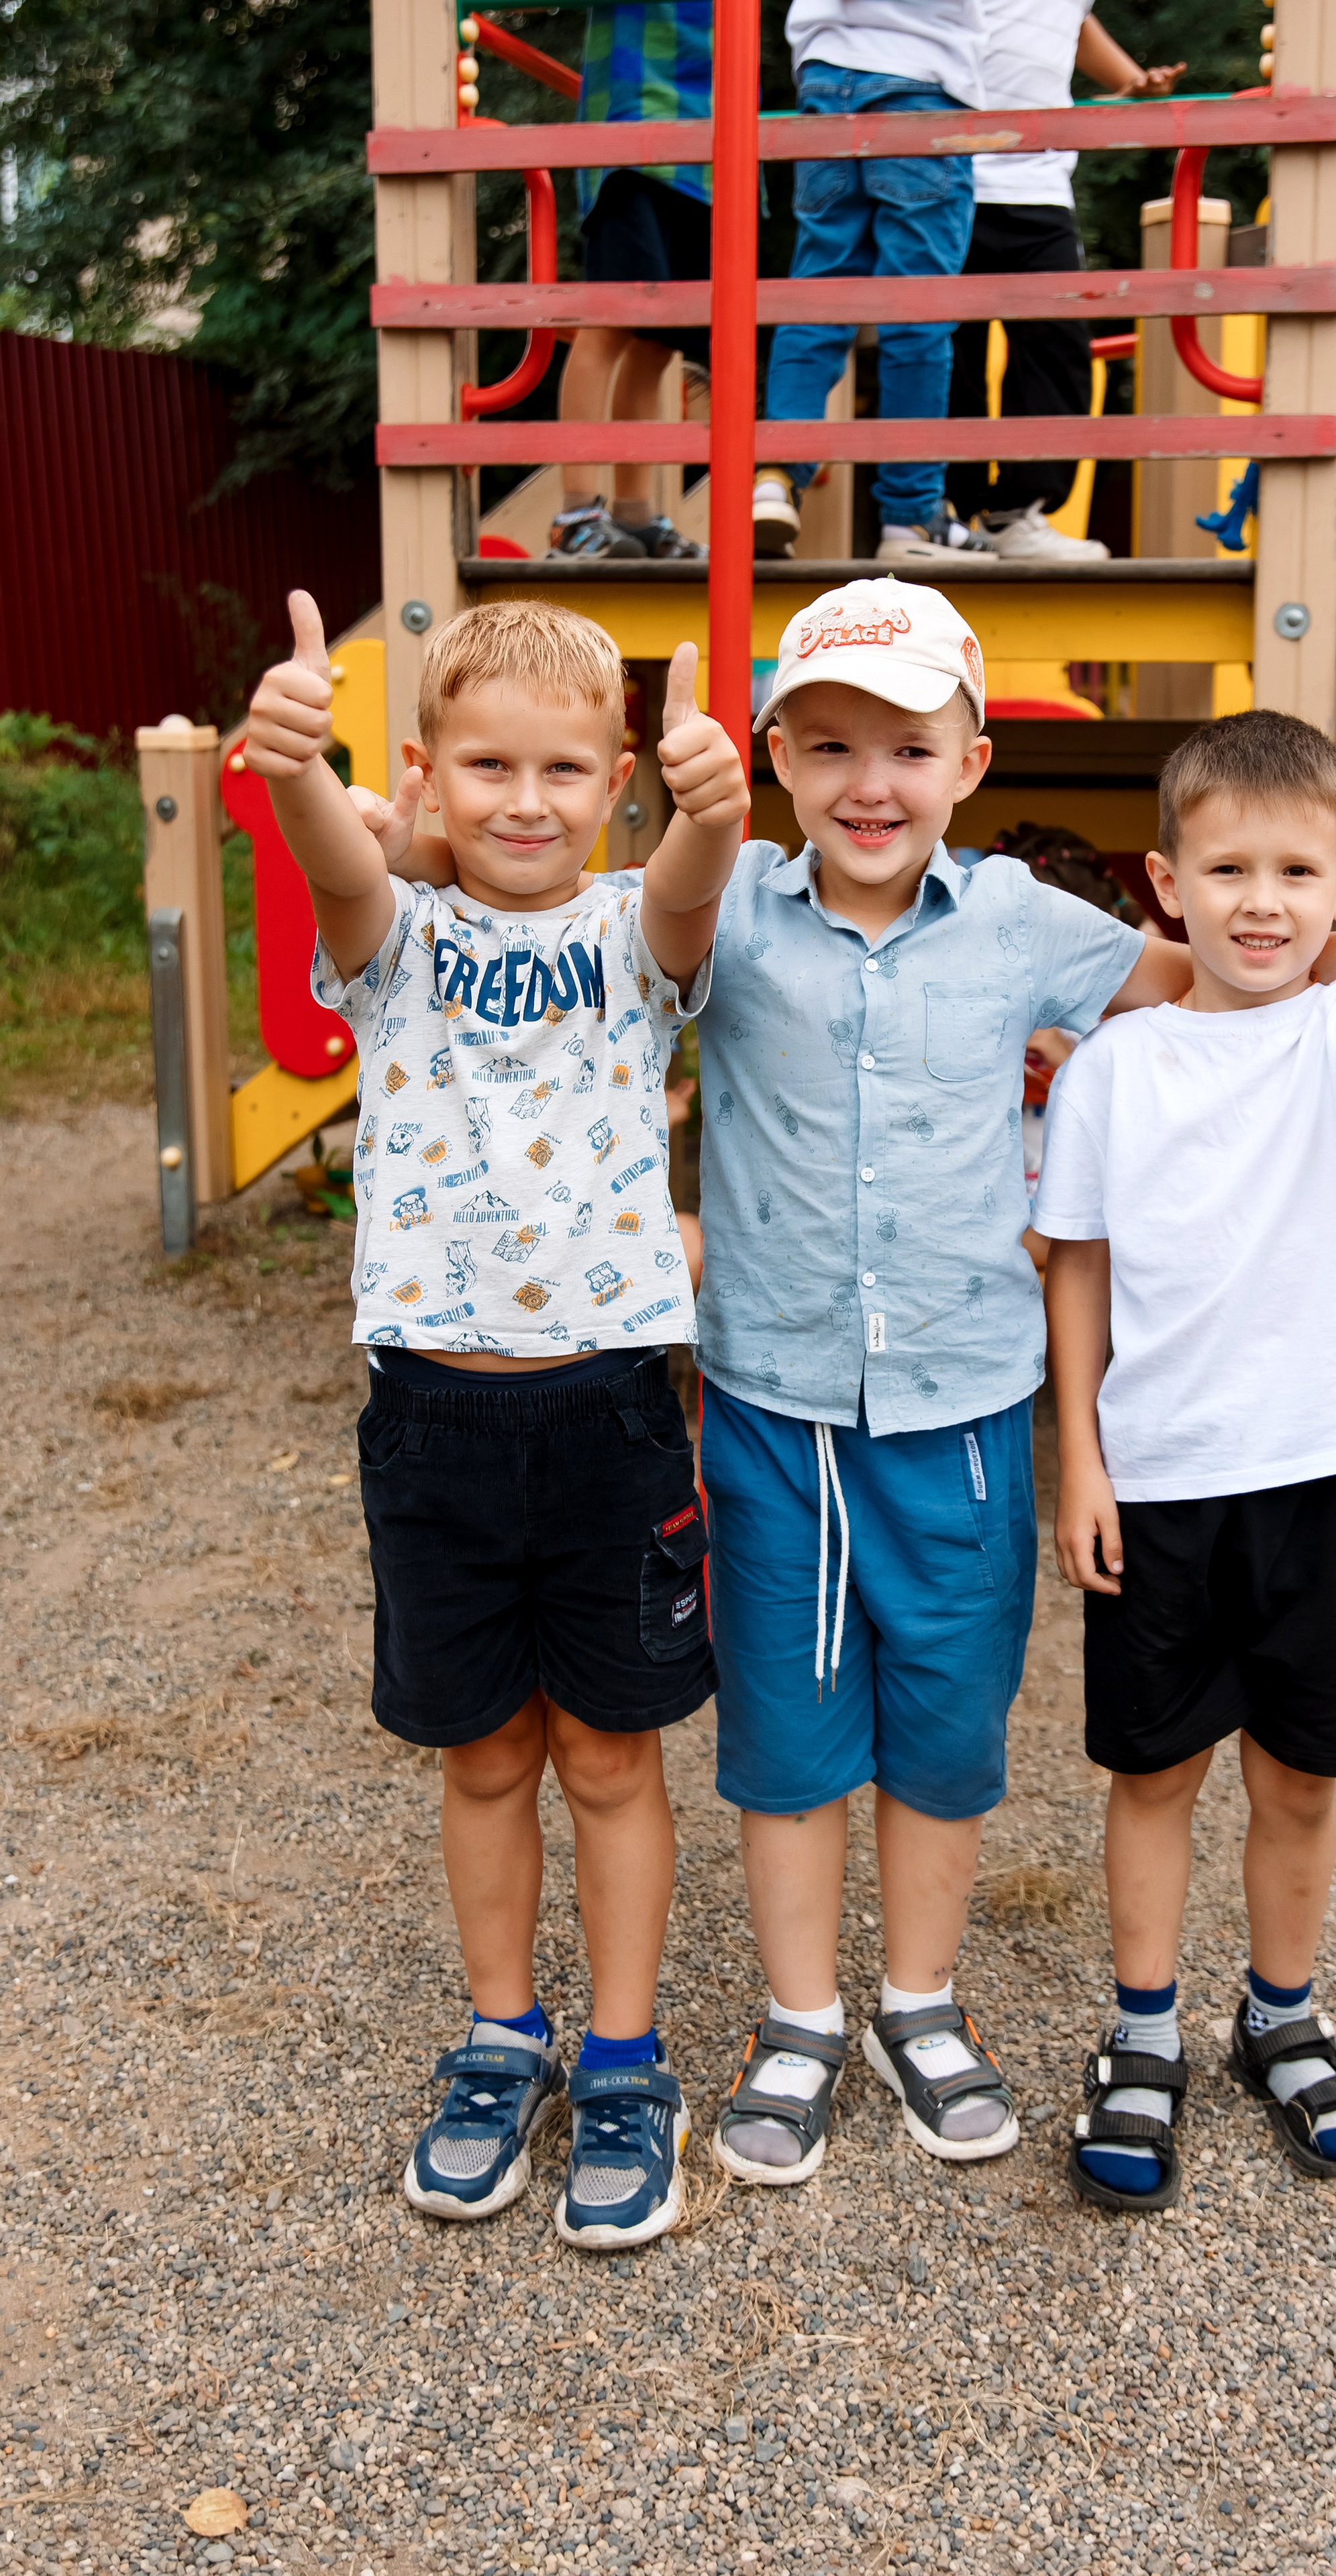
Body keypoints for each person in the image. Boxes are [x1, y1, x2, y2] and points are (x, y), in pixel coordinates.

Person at [674, 580, 1336, 2188]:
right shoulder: (735, 908)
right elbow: (650, 922)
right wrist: (690, 817)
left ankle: (919, 1997)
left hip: (966, 1396)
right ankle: (797, 2014)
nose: (870, 782)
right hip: (774, 1394)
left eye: (909, 744)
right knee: (784, 1724)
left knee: (948, 1727)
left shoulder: (1031, 927)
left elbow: (1201, 972)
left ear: (970, 756)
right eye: (826, 746)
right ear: (773, 758)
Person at [242, 596, 749, 2250]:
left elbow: (689, 885)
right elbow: (329, 859)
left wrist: (710, 805)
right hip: (433, 1419)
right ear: (429, 778)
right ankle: (497, 2036)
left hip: (608, 1414)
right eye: (486, 766)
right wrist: (295, 760)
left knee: (608, 1750)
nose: (524, 800)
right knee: (483, 1753)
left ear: (608, 782)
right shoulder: (390, 937)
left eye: (560, 769)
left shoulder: (629, 928)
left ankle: (620, 2057)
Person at [1035, 710, 1336, 2214]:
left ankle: (1278, 2012)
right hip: (1154, 1476)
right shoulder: (1112, 1071)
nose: (1259, 901)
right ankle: (1139, 2032)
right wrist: (1075, 1459)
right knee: (1154, 1772)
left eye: (1292, 870)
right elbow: (1068, 1268)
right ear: (1165, 881)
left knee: (1300, 1775)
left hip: (1323, 1471)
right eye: (1226, 868)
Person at [753, 0, 998, 564]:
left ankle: (772, 480)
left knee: (818, 297)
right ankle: (910, 519)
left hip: (824, 79)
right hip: (920, 73)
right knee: (917, 312)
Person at [947, 6, 1185, 561]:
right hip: (953, 175)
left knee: (1058, 344)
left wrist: (1134, 81)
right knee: (952, 347)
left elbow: (1074, 28)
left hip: (1041, 190)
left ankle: (1016, 514)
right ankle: (949, 512)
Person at [552, 1, 713, 562]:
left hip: (711, 149)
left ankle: (635, 515)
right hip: (636, 129)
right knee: (613, 321)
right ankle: (575, 513)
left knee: (661, 343)